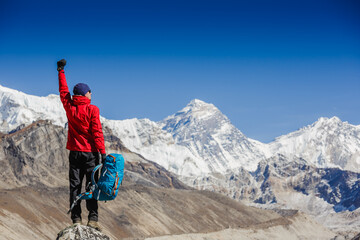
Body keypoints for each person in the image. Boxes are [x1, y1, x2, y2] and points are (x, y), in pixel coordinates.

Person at [57, 59, 106, 231]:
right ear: (85, 94)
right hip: (91, 154)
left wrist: (60, 71)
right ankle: (92, 219)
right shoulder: (92, 110)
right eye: (90, 92)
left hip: (75, 153)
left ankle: (76, 219)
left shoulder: (70, 108)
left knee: (75, 186)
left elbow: (63, 92)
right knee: (92, 185)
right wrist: (103, 152)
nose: (91, 94)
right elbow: (97, 132)